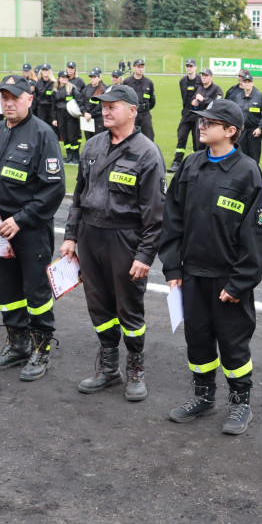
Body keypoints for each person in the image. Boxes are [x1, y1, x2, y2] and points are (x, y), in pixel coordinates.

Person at [160, 100, 262, 433]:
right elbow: (172, 220)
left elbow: (255, 236)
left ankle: (240, 403)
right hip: (192, 276)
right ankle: (204, 396)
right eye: (200, 121)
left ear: (231, 131)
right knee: (198, 339)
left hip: (227, 280)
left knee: (234, 343)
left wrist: (239, 283)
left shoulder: (247, 171)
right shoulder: (191, 165)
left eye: (210, 122)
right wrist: (173, 270)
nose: (201, 126)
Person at [63, 85, 165, 401]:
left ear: (133, 110)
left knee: (129, 307)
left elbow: (156, 214)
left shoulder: (147, 152)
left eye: (113, 106)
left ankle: (136, 369)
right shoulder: (92, 146)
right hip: (91, 236)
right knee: (98, 304)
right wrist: (70, 237)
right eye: (103, 106)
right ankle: (109, 368)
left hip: (125, 239)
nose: (105, 111)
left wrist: (145, 255)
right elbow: (78, 197)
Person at [0, 75, 65, 381]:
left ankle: (41, 350)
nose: (8, 103)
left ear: (30, 98)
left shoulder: (43, 135)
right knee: (7, 290)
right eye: (4, 98)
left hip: (29, 231)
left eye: (14, 97)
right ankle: (18, 345)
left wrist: (21, 219)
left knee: (36, 292)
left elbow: (53, 189)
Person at [227, 71, 262, 164]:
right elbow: (235, 114)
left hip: (254, 131)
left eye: (249, 82)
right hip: (242, 131)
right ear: (242, 83)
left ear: (252, 83)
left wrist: (260, 128)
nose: (247, 84)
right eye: (245, 82)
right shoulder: (238, 97)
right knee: (241, 153)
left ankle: (254, 175)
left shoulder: (259, 96)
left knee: (254, 155)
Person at [171, 58, 202, 171]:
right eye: (187, 66)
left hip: (198, 115)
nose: (189, 68)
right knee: (181, 137)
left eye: (191, 66)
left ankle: (195, 162)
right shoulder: (182, 81)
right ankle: (177, 162)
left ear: (195, 67)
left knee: (197, 141)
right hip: (186, 114)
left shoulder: (201, 80)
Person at [76, 68, 109, 159]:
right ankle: (89, 157)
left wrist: (92, 114)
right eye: (91, 77)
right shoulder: (87, 88)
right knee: (88, 139)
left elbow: (101, 104)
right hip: (86, 118)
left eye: (94, 77)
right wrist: (84, 112)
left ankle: (98, 157)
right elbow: (80, 101)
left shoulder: (103, 89)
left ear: (99, 78)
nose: (92, 79)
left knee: (98, 139)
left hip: (97, 119)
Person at [123, 59, 156, 141]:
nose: (140, 69)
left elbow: (152, 100)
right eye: (138, 67)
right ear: (134, 68)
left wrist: (144, 107)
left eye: (142, 67)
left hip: (145, 114)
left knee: (149, 137)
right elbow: (123, 99)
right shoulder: (127, 82)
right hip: (131, 114)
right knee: (129, 137)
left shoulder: (148, 82)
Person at [52, 71, 81, 163]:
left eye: (66, 77)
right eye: (63, 77)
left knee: (72, 136)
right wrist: (54, 118)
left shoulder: (72, 88)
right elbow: (53, 106)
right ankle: (69, 155)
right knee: (64, 136)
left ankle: (75, 156)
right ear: (59, 78)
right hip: (60, 115)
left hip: (71, 116)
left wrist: (79, 112)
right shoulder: (55, 90)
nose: (65, 79)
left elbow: (79, 101)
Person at [191, 68, 224, 146]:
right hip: (200, 120)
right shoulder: (199, 88)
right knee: (199, 145)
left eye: (206, 75)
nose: (204, 77)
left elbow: (217, 103)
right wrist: (193, 103)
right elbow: (193, 100)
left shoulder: (216, 89)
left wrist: (204, 99)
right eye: (202, 75)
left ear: (211, 77)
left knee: (210, 146)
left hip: (211, 121)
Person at [34, 64, 56, 139]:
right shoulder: (38, 83)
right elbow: (36, 95)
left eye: (46, 70)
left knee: (51, 126)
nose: (45, 72)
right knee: (41, 125)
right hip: (41, 108)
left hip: (51, 107)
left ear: (49, 71)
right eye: (43, 70)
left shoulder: (54, 83)